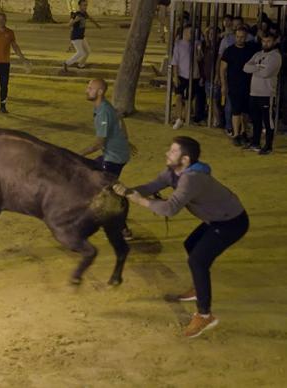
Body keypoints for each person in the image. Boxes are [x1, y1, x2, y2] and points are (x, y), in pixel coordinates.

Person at [113, 136, 249, 339]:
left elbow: (169, 209)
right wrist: (127, 192)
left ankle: (205, 315)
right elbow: (153, 185)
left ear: (185, 160)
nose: (167, 153)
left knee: (197, 260)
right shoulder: (173, 172)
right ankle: (199, 287)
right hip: (217, 220)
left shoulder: (191, 179)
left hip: (232, 223)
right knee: (191, 244)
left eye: (173, 151)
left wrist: (139, 201)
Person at [79, 79, 134, 240]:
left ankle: (123, 229)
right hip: (114, 153)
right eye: (88, 87)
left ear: (100, 91)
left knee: (104, 191)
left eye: (90, 88)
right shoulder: (104, 107)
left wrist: (79, 153)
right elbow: (120, 119)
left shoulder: (103, 111)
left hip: (113, 157)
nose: (86, 90)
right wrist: (125, 140)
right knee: (94, 174)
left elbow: (99, 143)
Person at [243, 32, 282, 155]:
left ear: (274, 41)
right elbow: (245, 68)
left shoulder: (275, 56)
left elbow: (266, 73)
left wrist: (255, 68)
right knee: (256, 119)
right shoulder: (258, 54)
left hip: (267, 93)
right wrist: (259, 67)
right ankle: (255, 142)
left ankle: (268, 146)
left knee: (267, 120)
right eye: (264, 41)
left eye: (268, 41)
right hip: (254, 92)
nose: (265, 43)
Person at [220, 26, 259, 146]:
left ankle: (243, 132)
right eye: (237, 37)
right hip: (234, 85)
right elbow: (222, 69)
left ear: (246, 37)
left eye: (242, 37)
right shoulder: (229, 51)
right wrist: (223, 84)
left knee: (246, 111)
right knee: (236, 110)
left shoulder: (251, 50)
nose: (239, 39)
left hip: (249, 86)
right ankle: (236, 134)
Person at [171, 25, 203, 130]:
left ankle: (185, 117)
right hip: (182, 74)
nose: (192, 35)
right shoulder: (179, 44)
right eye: (190, 32)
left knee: (189, 98)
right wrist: (175, 76)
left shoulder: (197, 43)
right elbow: (175, 61)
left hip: (194, 75)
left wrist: (198, 51)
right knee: (179, 96)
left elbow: (200, 59)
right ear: (185, 32)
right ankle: (178, 118)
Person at [61, 0, 101, 74]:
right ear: (80, 6)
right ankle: (66, 63)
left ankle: (81, 64)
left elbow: (90, 18)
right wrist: (75, 20)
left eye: (86, 5)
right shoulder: (76, 14)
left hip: (82, 36)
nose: (85, 7)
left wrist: (97, 24)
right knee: (81, 52)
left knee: (88, 51)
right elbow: (69, 25)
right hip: (76, 37)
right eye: (84, 5)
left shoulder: (84, 13)